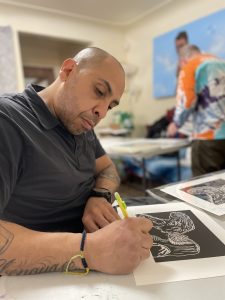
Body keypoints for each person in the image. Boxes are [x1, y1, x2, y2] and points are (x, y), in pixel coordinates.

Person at [0, 47, 153, 276]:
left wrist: (99, 195)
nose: (101, 112)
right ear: (69, 70)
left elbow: (108, 169)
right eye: (99, 91)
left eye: (110, 106)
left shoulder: (81, 123)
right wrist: (90, 250)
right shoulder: (8, 120)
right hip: (58, 266)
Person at [167, 44, 225, 176]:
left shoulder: (190, 66)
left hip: (208, 138)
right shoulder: (222, 62)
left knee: (204, 189)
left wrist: (176, 124)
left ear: (182, 60)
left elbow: (186, 101)